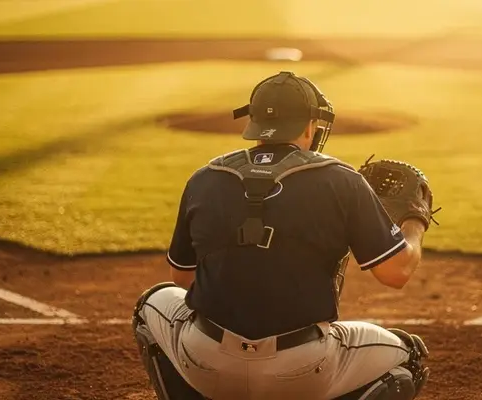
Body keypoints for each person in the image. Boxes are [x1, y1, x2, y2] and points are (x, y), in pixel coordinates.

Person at [132, 71, 434, 400]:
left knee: (151, 303)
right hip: (303, 371)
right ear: (309, 125)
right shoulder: (342, 181)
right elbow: (396, 272)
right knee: (410, 357)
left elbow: (182, 278)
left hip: (206, 363)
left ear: (253, 121)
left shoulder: (204, 178)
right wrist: (414, 221)